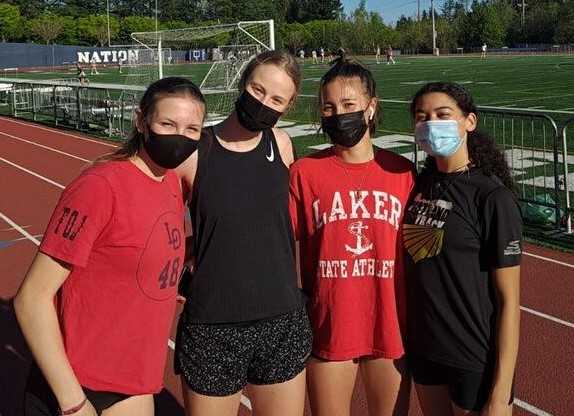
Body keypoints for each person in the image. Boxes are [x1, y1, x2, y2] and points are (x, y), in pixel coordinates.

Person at [14, 77, 206, 416]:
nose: (180, 137)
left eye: (192, 129)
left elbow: (142, 244)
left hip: (135, 379)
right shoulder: (99, 187)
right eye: (167, 124)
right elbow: (31, 297)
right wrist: (73, 403)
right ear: (141, 121)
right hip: (79, 383)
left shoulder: (171, 182)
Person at [174, 50, 312, 416]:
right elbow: (159, 225)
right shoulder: (195, 151)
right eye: (258, 89)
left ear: (288, 105)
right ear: (242, 83)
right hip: (212, 326)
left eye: (277, 99)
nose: (264, 102)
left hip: (281, 321)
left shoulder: (282, 145)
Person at [289, 54, 414, 416]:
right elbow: (275, 242)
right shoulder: (304, 172)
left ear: (371, 108)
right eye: (328, 107)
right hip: (330, 325)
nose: (337, 114)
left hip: (389, 325)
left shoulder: (402, 172)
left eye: (348, 104)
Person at [403, 82, 521, 415]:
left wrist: (501, 393)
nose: (430, 124)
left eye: (443, 115)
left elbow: (509, 301)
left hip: (473, 356)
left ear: (469, 121)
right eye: (421, 117)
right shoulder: (418, 186)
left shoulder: (491, 198)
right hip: (425, 350)